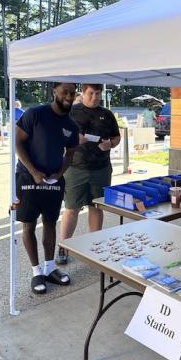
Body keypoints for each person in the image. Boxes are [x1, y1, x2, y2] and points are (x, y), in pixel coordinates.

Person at [15, 82, 79, 295]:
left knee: (50, 223)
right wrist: (33, 171)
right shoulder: (35, 114)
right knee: (29, 225)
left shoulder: (71, 125)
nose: (69, 96)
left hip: (52, 181)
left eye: (72, 92)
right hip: (28, 178)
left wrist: (59, 173)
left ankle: (50, 268)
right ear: (54, 91)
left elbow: (70, 153)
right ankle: (36, 272)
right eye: (65, 92)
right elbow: (17, 142)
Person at [57, 83, 121, 265]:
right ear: (83, 93)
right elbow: (57, 134)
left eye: (98, 93)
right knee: (72, 208)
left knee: (97, 206)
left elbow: (116, 136)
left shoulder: (107, 114)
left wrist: (111, 144)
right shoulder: (71, 112)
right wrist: (72, 139)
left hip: (101, 168)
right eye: (91, 93)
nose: (95, 97)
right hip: (75, 167)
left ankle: (95, 244)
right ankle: (64, 246)